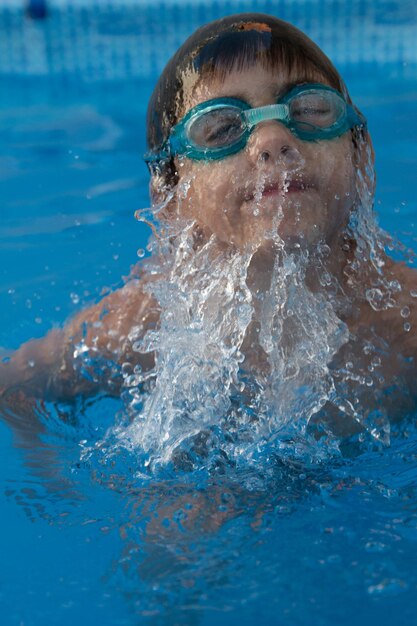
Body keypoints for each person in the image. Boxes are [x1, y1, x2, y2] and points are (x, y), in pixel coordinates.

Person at [1, 13, 416, 448]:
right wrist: (40, 458)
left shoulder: (404, 322)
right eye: (221, 130)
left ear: (360, 153)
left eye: (310, 110)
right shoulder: (144, 325)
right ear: (171, 195)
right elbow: (15, 380)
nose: (273, 138)